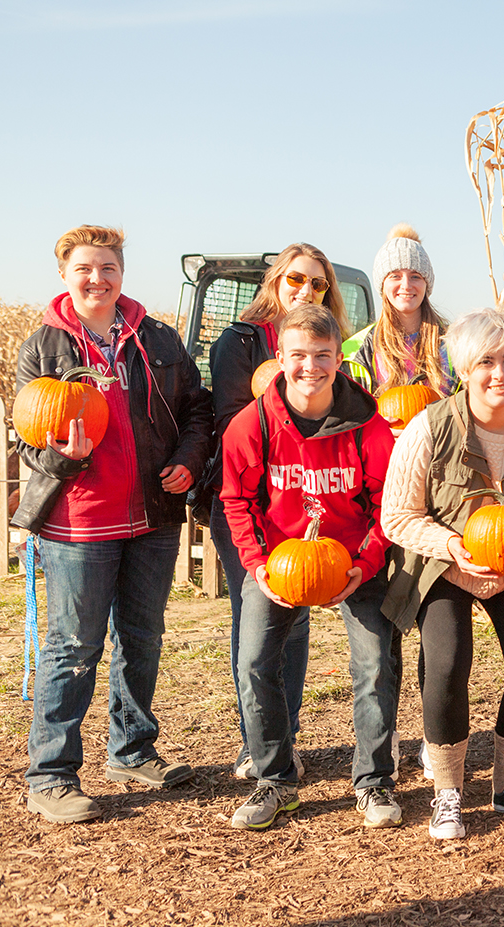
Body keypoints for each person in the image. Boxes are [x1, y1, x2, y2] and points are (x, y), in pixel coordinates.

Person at [17, 225, 213, 824]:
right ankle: (50, 774)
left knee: (142, 639)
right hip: (78, 524)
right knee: (73, 647)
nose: (96, 279)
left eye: (107, 267)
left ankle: (131, 749)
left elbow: (197, 407)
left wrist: (186, 458)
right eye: (84, 268)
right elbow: (30, 440)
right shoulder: (43, 347)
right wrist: (61, 456)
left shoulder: (156, 338)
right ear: (64, 275)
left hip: (151, 517)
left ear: (121, 272)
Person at [380, 310, 504, 839]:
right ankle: (447, 790)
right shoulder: (427, 428)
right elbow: (397, 515)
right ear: (465, 369)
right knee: (446, 666)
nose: (500, 374)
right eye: (486, 362)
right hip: (446, 564)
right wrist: (449, 544)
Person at [220, 304, 402, 831]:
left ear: (338, 360)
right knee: (253, 661)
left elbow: (385, 505)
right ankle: (275, 780)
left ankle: (374, 781)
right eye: (298, 355)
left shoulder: (368, 425)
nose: (310, 367)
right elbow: (238, 501)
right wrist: (257, 566)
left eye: (323, 355)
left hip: (351, 560)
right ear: (280, 357)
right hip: (280, 561)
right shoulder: (251, 424)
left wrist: (365, 565)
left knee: (375, 663)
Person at [207, 242, 350, 780]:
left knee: (299, 614)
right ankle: (256, 743)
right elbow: (228, 418)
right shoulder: (239, 342)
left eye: (317, 284)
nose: (304, 290)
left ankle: (284, 737)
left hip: (305, 496)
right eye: (295, 279)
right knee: (255, 622)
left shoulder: (330, 349)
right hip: (248, 496)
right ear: (275, 283)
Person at [348, 224, 456, 398]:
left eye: (415, 276)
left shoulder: (453, 342)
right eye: (395, 276)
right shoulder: (358, 349)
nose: (406, 285)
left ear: (426, 284)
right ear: (383, 285)